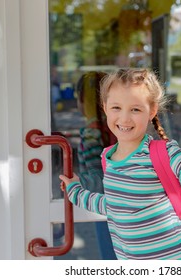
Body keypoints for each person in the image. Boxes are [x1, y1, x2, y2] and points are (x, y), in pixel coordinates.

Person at [60, 68, 181, 260]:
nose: (124, 118)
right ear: (105, 107)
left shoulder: (165, 154)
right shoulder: (108, 158)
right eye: (116, 108)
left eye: (135, 109)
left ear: (152, 111)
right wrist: (74, 190)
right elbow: (114, 206)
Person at [74, 71, 117, 259]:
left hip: (105, 208)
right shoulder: (119, 128)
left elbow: (99, 180)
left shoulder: (92, 133)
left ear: (85, 101)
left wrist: (73, 183)